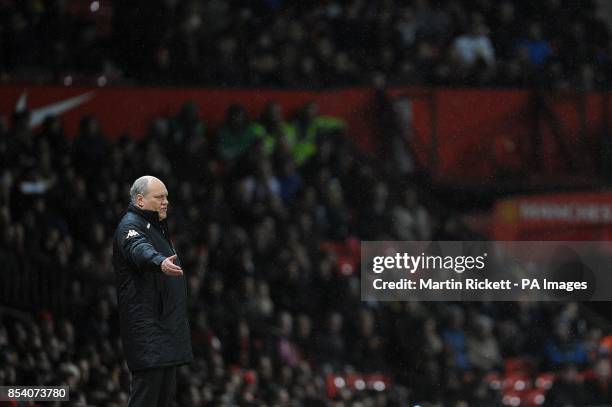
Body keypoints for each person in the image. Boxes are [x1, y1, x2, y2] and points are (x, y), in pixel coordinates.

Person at [112, 175, 193, 407]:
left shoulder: (155, 227)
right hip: (149, 332)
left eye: (166, 196)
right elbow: (138, 248)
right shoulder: (130, 226)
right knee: (146, 399)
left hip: (164, 329)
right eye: (159, 197)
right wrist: (159, 262)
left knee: (163, 400)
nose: (165, 201)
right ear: (140, 201)